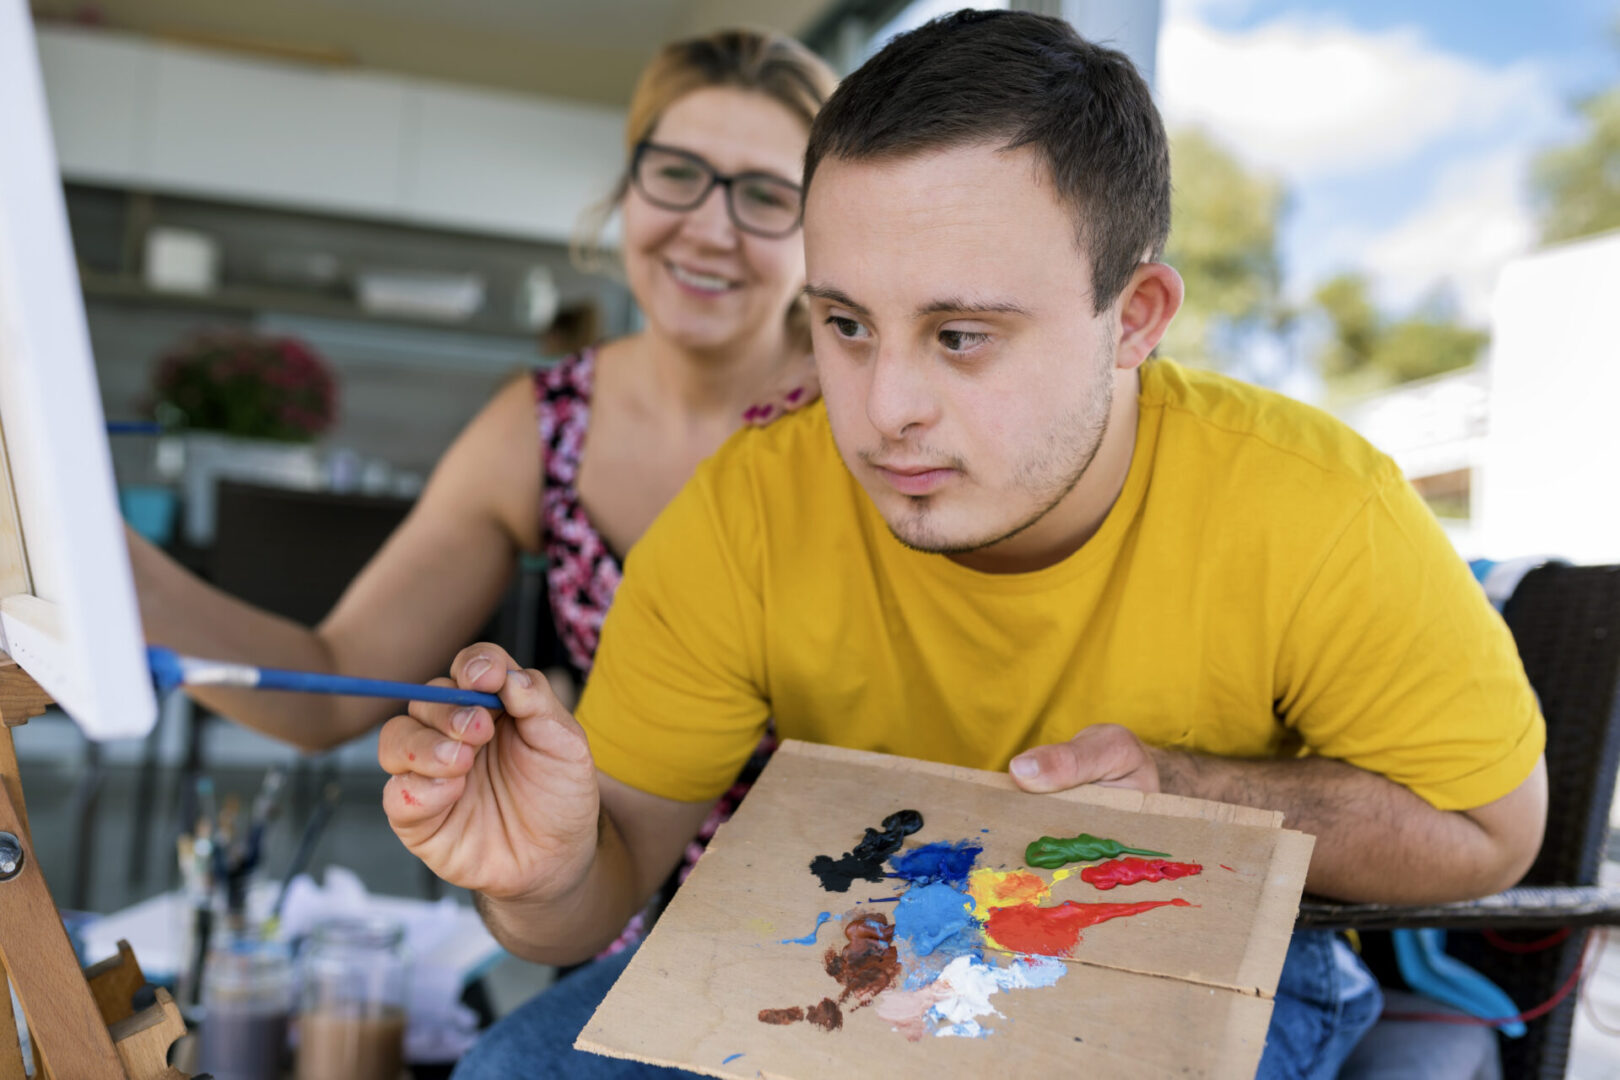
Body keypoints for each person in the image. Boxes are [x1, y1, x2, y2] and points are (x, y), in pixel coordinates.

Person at [379, 12, 1548, 1078]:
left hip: (1192, 943)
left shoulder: (1314, 508)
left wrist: (1190, 791)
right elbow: (601, 886)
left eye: (962, 334)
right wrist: (537, 875)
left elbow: (1492, 834)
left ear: (1133, 317)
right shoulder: (746, 512)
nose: (885, 407)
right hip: (848, 931)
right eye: (844, 325)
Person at [131, 28, 838, 949]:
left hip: (861, 913)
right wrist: (101, 570)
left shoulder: (866, 417)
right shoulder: (544, 424)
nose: (710, 226)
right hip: (620, 921)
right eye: (676, 173)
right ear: (626, 187)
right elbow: (332, 686)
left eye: (765, 196)